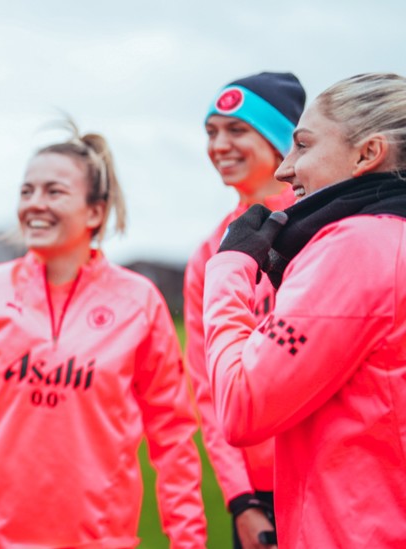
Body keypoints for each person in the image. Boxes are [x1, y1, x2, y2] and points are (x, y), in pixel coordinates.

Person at [0, 121, 207, 549]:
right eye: (26, 191)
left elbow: (173, 433)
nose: (35, 204)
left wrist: (189, 540)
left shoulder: (138, 302)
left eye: (54, 192)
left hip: (101, 539)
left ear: (95, 211)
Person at [204, 72, 406, 547]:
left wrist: (229, 267)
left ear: (367, 154)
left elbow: (239, 404)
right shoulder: (388, 238)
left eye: (303, 145)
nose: (285, 168)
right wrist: (241, 498)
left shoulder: (356, 247)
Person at [183, 71, 305, 549]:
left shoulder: (325, 224)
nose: (219, 145)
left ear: (282, 142)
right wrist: (240, 501)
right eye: (211, 132)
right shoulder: (210, 253)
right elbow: (209, 387)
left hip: (330, 476)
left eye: (236, 130)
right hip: (258, 497)